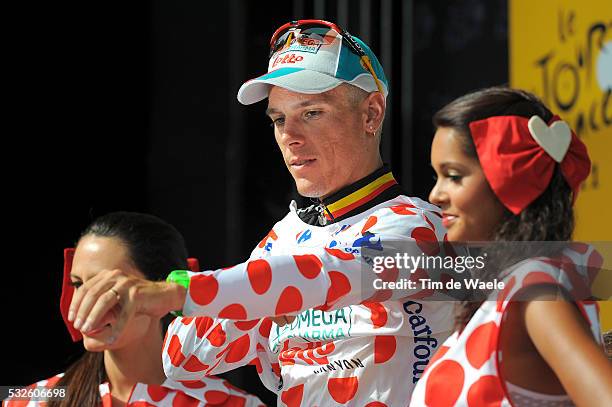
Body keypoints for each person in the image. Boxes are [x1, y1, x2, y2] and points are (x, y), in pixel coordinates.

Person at [65, 20, 455, 405]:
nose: (290, 136)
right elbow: (183, 358)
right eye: (279, 119)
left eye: (312, 112)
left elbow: (327, 274)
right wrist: (262, 304)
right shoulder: (283, 238)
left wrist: (179, 290)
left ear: (370, 114)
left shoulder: (423, 227)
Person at [410, 87, 612, 406]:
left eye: (453, 176)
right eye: (437, 176)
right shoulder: (516, 287)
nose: (435, 194)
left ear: (509, 178)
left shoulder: (536, 288)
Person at [4, 212, 264, 407]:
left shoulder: (235, 404)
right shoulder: (30, 400)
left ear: (159, 294)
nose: (83, 303)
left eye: (107, 287)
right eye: (77, 284)